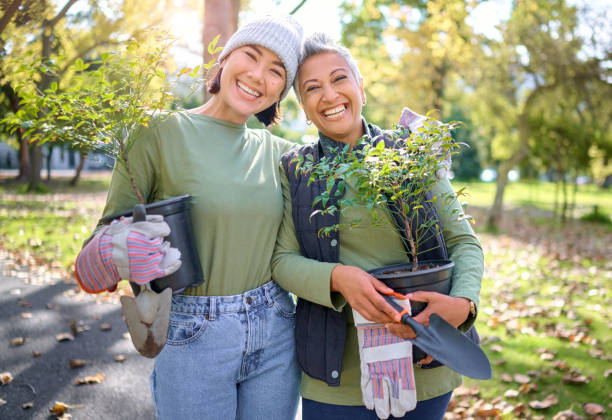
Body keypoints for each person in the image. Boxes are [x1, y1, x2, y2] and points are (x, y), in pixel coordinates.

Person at [74, 16, 303, 420]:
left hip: (276, 329)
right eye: (250, 56)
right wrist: (116, 249)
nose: (258, 75)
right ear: (226, 58)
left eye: (276, 71)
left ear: (281, 90)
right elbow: (99, 247)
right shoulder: (157, 130)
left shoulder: (280, 154)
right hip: (193, 333)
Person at [272, 32, 484, 420]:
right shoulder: (296, 169)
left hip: (425, 360)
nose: (330, 95)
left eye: (339, 79)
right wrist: (338, 278)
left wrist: (463, 304)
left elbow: (463, 242)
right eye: (312, 88)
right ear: (303, 107)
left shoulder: (412, 152)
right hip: (334, 380)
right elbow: (282, 261)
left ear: (361, 89)